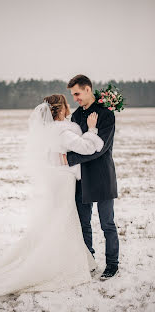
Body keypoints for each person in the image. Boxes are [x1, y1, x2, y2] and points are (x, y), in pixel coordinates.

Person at [0, 94, 104, 298]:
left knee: (56, 219)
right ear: (60, 109)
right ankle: (59, 262)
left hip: (53, 179)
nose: (69, 107)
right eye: (67, 104)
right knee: (63, 219)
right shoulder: (63, 131)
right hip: (63, 180)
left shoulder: (48, 131)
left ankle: (64, 256)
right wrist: (92, 130)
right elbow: (88, 147)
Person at [65, 75, 119, 280]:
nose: (75, 98)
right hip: (83, 177)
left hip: (103, 175)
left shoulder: (106, 114)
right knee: (83, 224)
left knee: (107, 224)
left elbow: (100, 149)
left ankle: (112, 265)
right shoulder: (76, 116)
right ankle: (89, 262)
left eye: (77, 94)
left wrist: (68, 159)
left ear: (88, 89)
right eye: (73, 95)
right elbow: (75, 143)